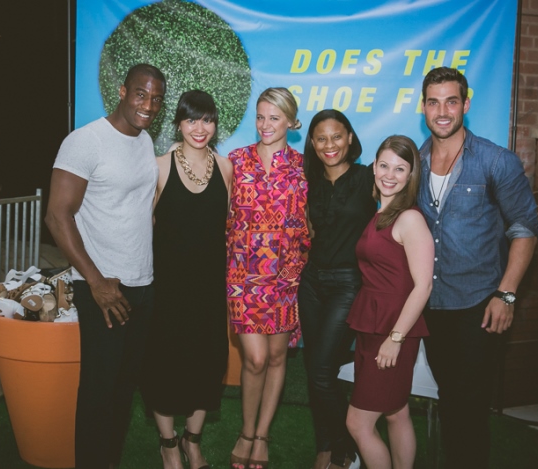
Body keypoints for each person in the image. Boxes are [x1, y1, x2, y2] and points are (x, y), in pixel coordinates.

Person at [417, 66, 538, 469]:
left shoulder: (496, 160)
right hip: (432, 305)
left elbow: (525, 230)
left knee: (469, 406)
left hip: (480, 306)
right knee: (450, 399)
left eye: (451, 101)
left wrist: (507, 294)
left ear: (466, 105)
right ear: (423, 107)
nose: (442, 111)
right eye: (433, 102)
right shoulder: (414, 162)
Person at [44, 63, 166, 469]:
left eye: (156, 99)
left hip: (141, 284)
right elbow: (57, 215)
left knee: (123, 389)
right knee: (99, 391)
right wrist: (95, 282)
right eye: (140, 94)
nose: (148, 105)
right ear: (122, 91)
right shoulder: (86, 141)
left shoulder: (144, 141)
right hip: (103, 286)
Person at [140, 90, 233, 469]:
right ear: (178, 123)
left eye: (207, 120)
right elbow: (143, 230)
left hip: (209, 291)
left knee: (207, 366)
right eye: (192, 119)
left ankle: (192, 441)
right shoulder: (158, 167)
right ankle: (168, 444)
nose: (200, 128)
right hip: (166, 291)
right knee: (163, 366)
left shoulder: (225, 168)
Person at [226, 87, 309, 469]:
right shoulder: (235, 161)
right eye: (260, 116)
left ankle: (261, 436)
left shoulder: (304, 167)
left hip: (287, 277)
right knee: (256, 359)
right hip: (243, 276)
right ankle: (246, 431)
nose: (265, 124)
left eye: (274, 117)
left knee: (277, 357)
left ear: (290, 121)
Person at [345, 135, 434, 469]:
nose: (390, 175)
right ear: (374, 167)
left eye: (400, 169)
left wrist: (395, 338)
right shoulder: (381, 213)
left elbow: (423, 286)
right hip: (373, 325)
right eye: (384, 165)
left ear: (411, 175)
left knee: (358, 423)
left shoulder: (409, 218)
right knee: (396, 412)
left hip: (393, 329)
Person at [298, 110, 375, 469]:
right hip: (312, 283)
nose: (330, 145)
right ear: (313, 144)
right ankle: (326, 448)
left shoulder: (368, 178)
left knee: (322, 371)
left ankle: (348, 445)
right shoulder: (308, 181)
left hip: (348, 284)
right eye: (321, 138)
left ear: (350, 138)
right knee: (316, 370)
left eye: (337, 136)